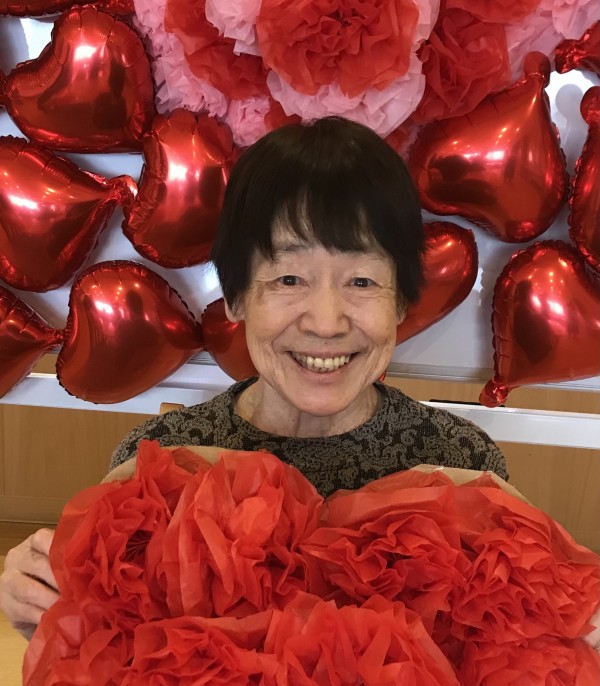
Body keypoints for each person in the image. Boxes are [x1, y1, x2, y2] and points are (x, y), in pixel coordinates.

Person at [1, 115, 521, 644]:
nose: (326, 322)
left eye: (362, 281)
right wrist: (44, 592)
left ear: (401, 302)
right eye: (288, 278)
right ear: (236, 296)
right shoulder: (164, 463)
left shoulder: (462, 465)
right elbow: (126, 660)